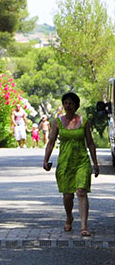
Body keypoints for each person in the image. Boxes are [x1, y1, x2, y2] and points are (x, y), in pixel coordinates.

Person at [42, 92, 101, 236]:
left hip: (82, 161)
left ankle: (84, 226)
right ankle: (69, 216)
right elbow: (51, 142)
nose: (68, 106)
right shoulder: (57, 122)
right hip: (65, 162)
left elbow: (91, 143)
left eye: (71, 103)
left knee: (81, 191)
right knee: (68, 195)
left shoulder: (84, 121)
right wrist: (45, 159)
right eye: (66, 103)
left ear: (76, 106)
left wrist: (95, 163)